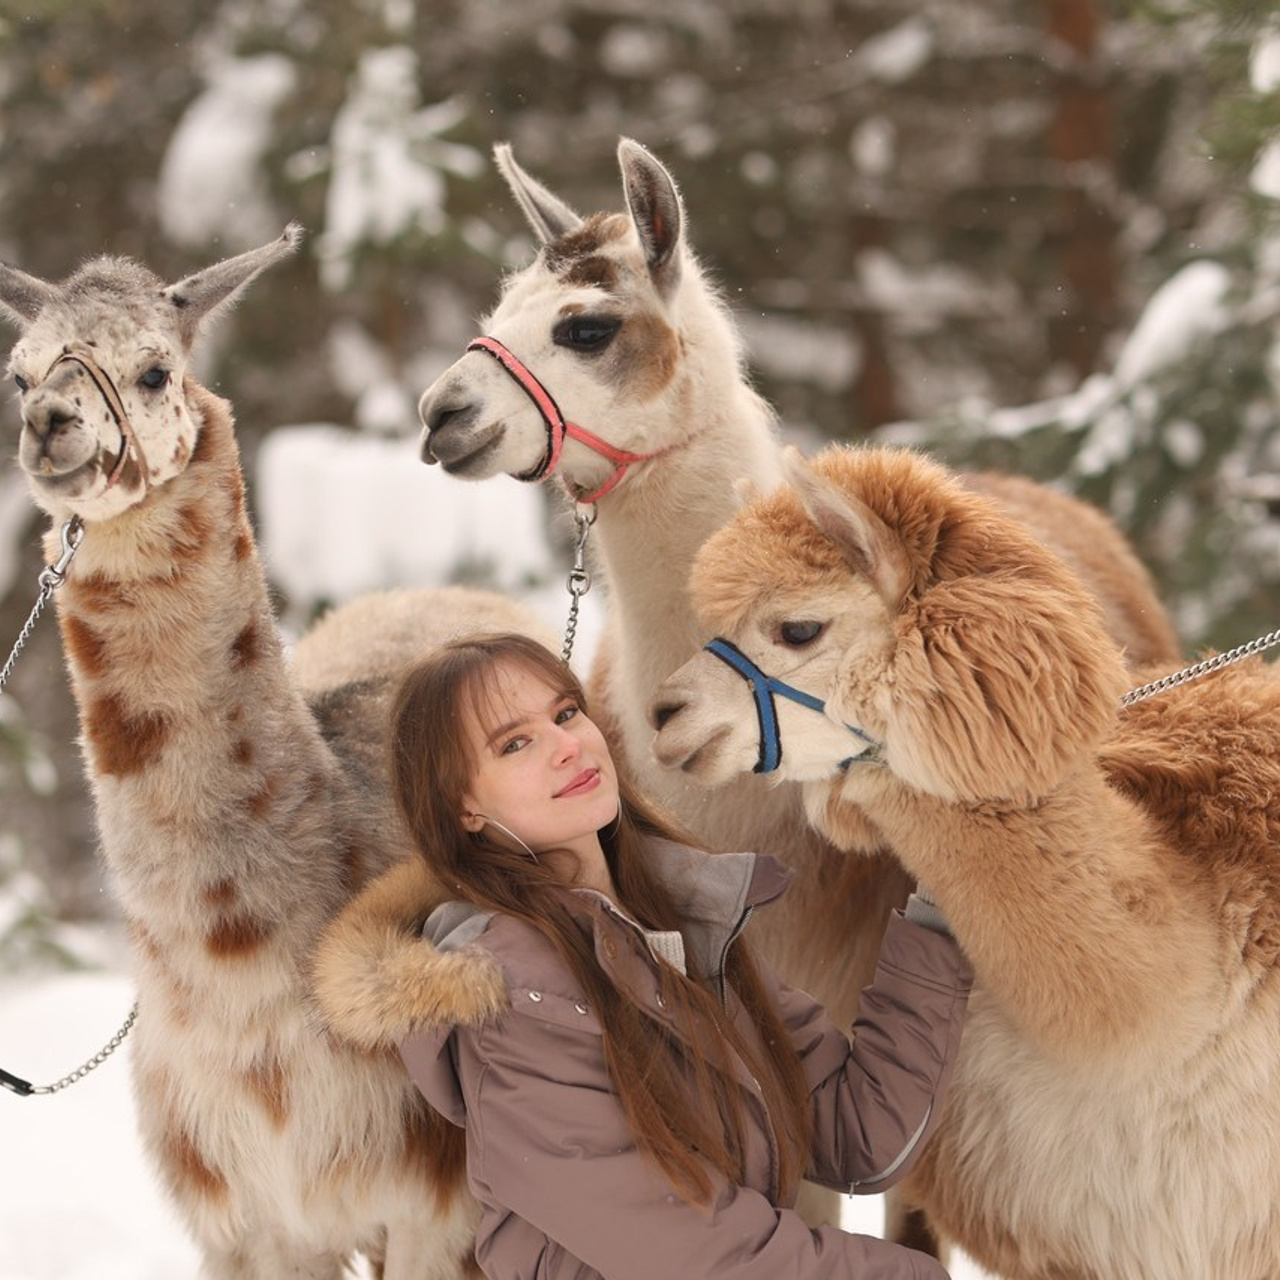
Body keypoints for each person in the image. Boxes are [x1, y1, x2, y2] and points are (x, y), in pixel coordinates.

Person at [313, 631, 972, 1278]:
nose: (567, 747)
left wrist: (947, 904)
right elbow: (694, 1256)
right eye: (515, 743)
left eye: (566, 713)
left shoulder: (688, 926)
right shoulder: (514, 1001)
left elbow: (860, 1132)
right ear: (464, 809)